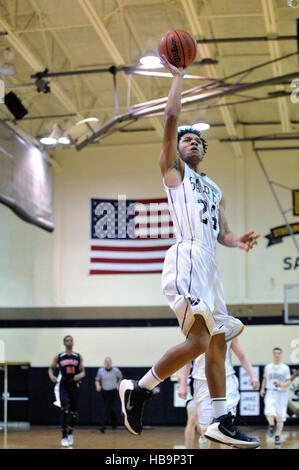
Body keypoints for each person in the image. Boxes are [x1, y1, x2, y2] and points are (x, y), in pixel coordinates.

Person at [119, 55, 260, 449]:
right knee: (199, 342)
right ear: (177, 150)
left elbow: (223, 233)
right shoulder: (174, 173)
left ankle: (219, 419)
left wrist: (238, 241)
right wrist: (177, 77)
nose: (191, 141)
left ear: (204, 149)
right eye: (186, 139)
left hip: (210, 264)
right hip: (184, 256)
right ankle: (140, 389)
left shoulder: (214, 189)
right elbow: (169, 119)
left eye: (197, 139)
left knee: (217, 342)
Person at [178, 337, 260, 448]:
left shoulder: (229, 326)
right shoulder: (196, 326)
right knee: (206, 429)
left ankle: (227, 433)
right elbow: (186, 360)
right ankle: (204, 436)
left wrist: (253, 376)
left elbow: (242, 356)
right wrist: (182, 385)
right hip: (202, 381)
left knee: (225, 426)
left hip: (227, 378)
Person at [48, 335, 85, 447]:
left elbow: (83, 372)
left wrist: (79, 376)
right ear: (64, 343)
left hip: (74, 385)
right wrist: (51, 376)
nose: (69, 342)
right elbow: (51, 368)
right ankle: (64, 436)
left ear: (73, 343)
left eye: (71, 340)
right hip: (63, 385)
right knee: (64, 410)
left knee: (74, 414)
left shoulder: (78, 356)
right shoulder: (59, 356)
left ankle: (70, 433)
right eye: (67, 340)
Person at [260, 347, 291, 445]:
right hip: (270, 392)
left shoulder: (285, 368)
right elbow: (265, 379)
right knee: (268, 412)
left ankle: (277, 436)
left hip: (281, 394)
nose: (277, 355)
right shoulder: (268, 367)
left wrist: (283, 385)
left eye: (278, 353)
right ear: (273, 355)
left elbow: (288, 381)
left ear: (281, 355)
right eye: (275, 353)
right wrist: (262, 389)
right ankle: (272, 426)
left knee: (280, 417)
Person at [95, 357, 123, 433]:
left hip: (113, 391)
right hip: (104, 391)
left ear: (111, 362)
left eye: (109, 361)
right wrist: (97, 386)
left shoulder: (116, 370)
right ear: (104, 363)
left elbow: (120, 378)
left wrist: (118, 384)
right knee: (109, 409)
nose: (108, 363)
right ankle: (114, 421)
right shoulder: (100, 371)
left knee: (106, 408)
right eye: (106, 362)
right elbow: (97, 380)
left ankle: (103, 426)